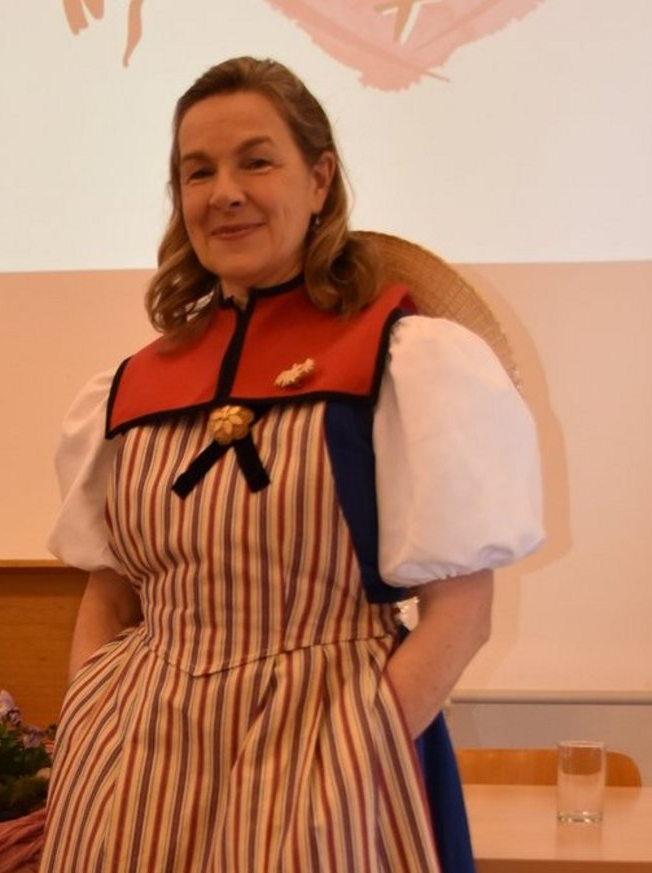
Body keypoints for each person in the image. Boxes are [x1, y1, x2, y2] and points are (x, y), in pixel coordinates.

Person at [39, 57, 543, 872]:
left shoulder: (403, 361)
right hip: (140, 769)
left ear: (320, 178)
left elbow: (462, 610)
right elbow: (110, 591)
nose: (224, 192)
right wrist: (93, 713)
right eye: (198, 172)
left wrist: (358, 747)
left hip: (333, 752)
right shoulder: (129, 388)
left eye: (256, 161)